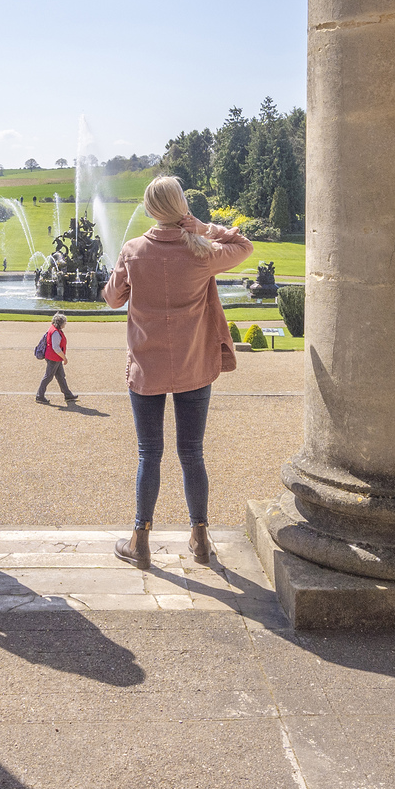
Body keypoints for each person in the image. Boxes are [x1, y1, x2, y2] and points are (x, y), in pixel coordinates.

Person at [103, 175, 254, 569]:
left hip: (147, 366)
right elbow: (244, 246)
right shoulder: (202, 252)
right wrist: (203, 227)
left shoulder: (134, 250)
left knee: (148, 454)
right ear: (181, 206)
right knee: (192, 453)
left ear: (151, 209)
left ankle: (140, 539)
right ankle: (201, 537)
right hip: (193, 363)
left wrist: (126, 273)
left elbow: (111, 298)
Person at [34, 312, 75, 404]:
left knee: (60, 376)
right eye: (64, 322)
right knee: (48, 376)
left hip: (54, 357)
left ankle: (68, 395)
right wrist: (64, 358)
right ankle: (39, 396)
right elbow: (56, 347)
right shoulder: (56, 332)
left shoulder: (53, 329)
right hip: (54, 358)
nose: (65, 324)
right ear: (60, 323)